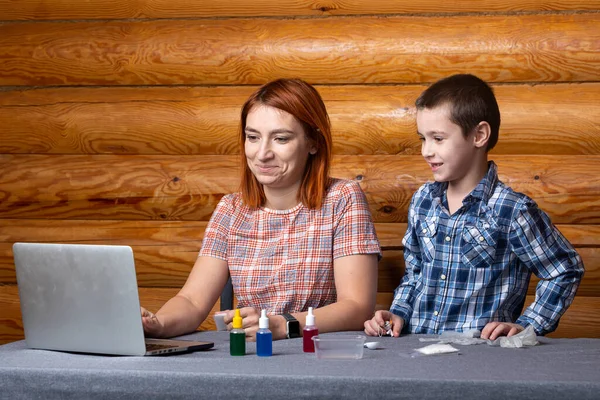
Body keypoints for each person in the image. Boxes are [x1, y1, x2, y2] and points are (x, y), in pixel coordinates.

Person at [142, 78, 381, 341]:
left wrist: (281, 325)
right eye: (253, 137)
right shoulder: (231, 209)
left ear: (313, 142)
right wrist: (158, 324)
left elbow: (357, 308)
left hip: (315, 353)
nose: (262, 153)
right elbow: (191, 300)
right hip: (250, 354)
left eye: (280, 138)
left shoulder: (342, 198)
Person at [364, 74, 584, 340]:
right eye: (423, 138)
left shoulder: (511, 209)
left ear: (479, 135)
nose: (426, 151)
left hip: (479, 358)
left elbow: (564, 269)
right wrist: (398, 313)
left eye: (438, 138)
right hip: (417, 349)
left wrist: (528, 326)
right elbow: (416, 272)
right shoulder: (423, 200)